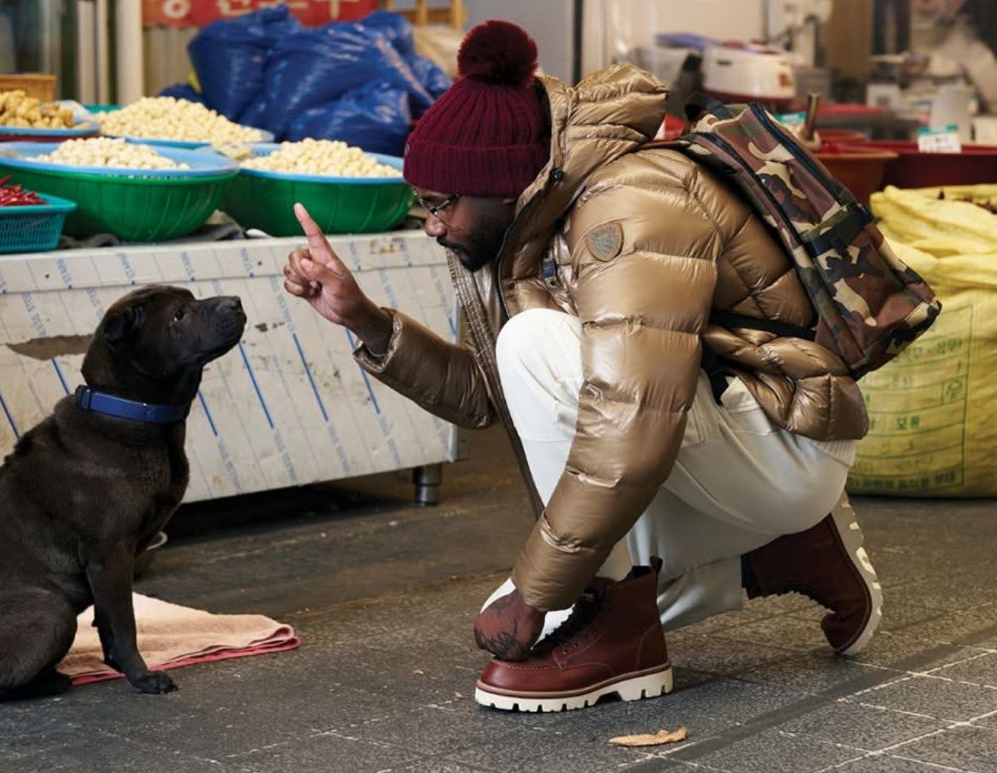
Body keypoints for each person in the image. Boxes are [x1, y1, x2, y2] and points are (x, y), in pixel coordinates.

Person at [282, 20, 881, 713]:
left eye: (442, 204)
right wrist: (363, 318)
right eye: (425, 204)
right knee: (550, 584)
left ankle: (621, 630)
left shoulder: (630, 206)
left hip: (785, 438)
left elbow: (632, 424)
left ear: (502, 184)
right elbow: (492, 398)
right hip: (716, 436)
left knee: (535, 356)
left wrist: (539, 592)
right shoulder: (528, 227)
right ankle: (787, 553)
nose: (432, 225)